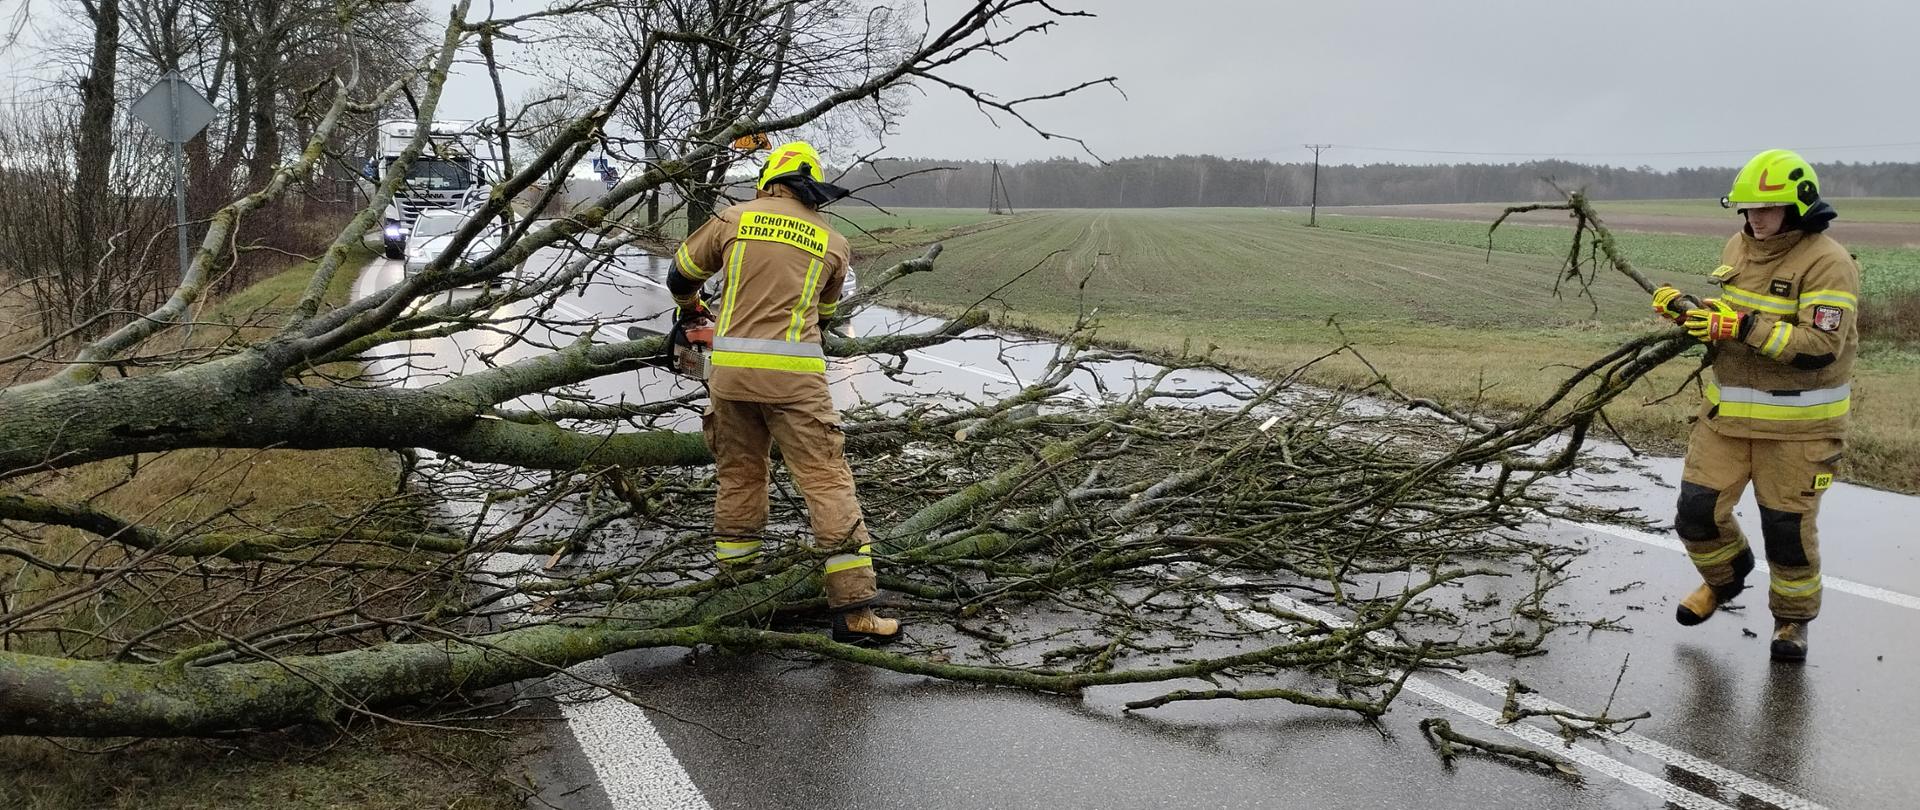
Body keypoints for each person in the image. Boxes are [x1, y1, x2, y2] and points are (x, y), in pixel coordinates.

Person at [665, 140, 901, 645]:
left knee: (740, 477)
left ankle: (738, 596)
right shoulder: (832, 243)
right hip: (795, 383)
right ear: (811, 190)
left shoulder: (733, 219)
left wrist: (691, 310)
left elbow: (680, 275)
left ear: (769, 180)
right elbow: (828, 317)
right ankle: (855, 613)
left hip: (729, 378)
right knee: (826, 481)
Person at [1650, 149, 1858, 662]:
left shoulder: (1828, 262)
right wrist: (1694, 314)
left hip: (1799, 431)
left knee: (1786, 533)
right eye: (1746, 209)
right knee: (1695, 515)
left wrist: (1739, 326)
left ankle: (1792, 622)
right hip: (1726, 422)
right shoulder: (1738, 248)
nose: (1753, 219)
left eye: (1766, 209)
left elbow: (1818, 348)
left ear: (1799, 207)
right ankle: (1725, 580)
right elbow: (1731, 325)